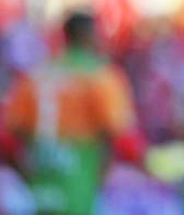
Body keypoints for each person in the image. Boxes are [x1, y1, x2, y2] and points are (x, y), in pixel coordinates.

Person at [3, 11, 145, 214]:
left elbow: (12, 132)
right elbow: (120, 133)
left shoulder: (35, 75)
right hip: (81, 173)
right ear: (89, 35)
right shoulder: (101, 76)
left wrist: (23, 168)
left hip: (41, 170)